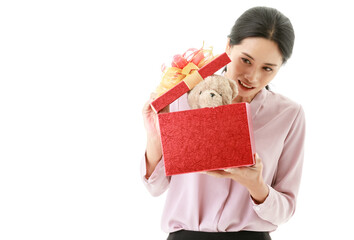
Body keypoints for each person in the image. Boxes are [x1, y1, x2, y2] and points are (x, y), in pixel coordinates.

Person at [141, 6, 305, 240]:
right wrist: (154, 139)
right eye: (246, 60)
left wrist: (256, 186)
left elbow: (286, 210)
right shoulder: (184, 98)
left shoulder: (289, 114)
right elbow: (155, 188)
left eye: (267, 68)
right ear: (228, 47)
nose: (253, 77)